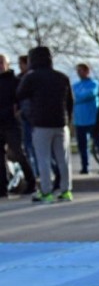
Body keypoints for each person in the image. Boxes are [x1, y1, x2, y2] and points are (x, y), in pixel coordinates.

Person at [15, 46, 73, 203]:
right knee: (63, 159)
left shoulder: (32, 77)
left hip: (41, 123)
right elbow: (70, 102)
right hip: (61, 122)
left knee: (44, 159)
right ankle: (66, 191)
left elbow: (19, 94)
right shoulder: (62, 77)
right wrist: (68, 118)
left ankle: (46, 192)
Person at [0, 54, 36, 198]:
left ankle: (31, 182)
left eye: (1, 62)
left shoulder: (15, 81)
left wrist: (18, 112)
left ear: (7, 64)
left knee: (18, 153)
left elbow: (22, 100)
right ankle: (2, 187)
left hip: (12, 123)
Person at [72, 63, 99, 175]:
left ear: (87, 71)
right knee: (82, 145)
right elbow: (72, 97)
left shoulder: (94, 84)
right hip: (79, 120)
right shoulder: (75, 85)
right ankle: (85, 166)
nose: (79, 73)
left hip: (92, 119)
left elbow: (90, 94)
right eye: (78, 71)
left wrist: (77, 98)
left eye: (81, 70)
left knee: (97, 142)